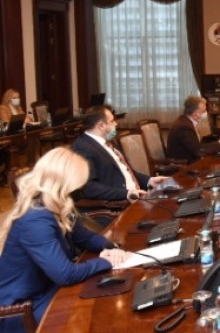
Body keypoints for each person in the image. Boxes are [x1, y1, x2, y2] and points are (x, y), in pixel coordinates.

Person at [0, 148, 129, 331]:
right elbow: (65, 275)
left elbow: (85, 238)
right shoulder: (35, 219)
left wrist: (114, 248)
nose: (83, 190)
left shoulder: (54, 206)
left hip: (48, 289)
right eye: (80, 185)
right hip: (23, 308)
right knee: (98, 314)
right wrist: (106, 261)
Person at [72, 105, 166, 202]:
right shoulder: (82, 148)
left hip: (137, 196)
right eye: (112, 121)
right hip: (119, 204)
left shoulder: (108, 142)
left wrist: (149, 181)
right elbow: (89, 187)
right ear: (101, 126)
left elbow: (125, 171)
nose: (116, 124)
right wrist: (126, 194)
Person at [166, 96, 220, 164]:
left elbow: (198, 146)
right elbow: (198, 151)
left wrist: (219, 143)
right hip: (184, 165)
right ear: (195, 114)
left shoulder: (186, 121)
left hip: (192, 161)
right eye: (203, 111)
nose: (206, 113)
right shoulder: (184, 127)